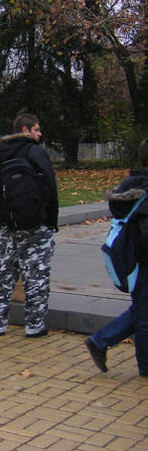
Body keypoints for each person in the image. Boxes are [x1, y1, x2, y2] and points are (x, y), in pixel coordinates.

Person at [0, 114, 58, 337]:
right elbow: (50, 188)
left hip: (8, 225)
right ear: (25, 129)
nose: (39, 134)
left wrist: (1, 219)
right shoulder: (35, 152)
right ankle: (34, 324)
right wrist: (50, 221)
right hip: (36, 224)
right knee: (36, 273)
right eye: (36, 129)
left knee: (5, 271)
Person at [86, 138, 148, 376]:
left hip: (134, 259)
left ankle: (101, 341)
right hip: (142, 261)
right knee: (143, 314)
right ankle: (144, 365)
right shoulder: (143, 188)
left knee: (143, 308)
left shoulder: (132, 184)